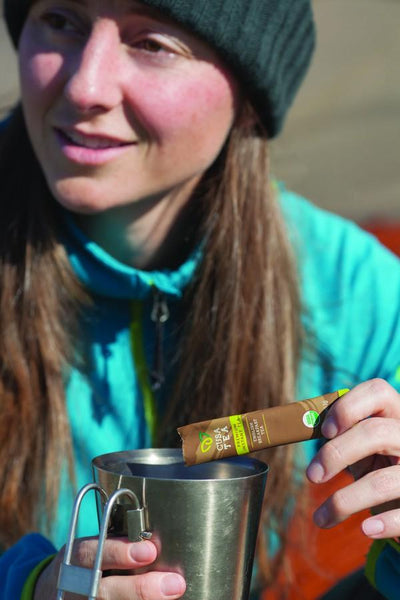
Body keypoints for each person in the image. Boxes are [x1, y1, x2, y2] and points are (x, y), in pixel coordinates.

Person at [0, 0, 400, 598]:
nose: (85, 86)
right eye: (61, 20)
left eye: (154, 43)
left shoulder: (352, 287)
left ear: (248, 96)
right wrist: (28, 586)